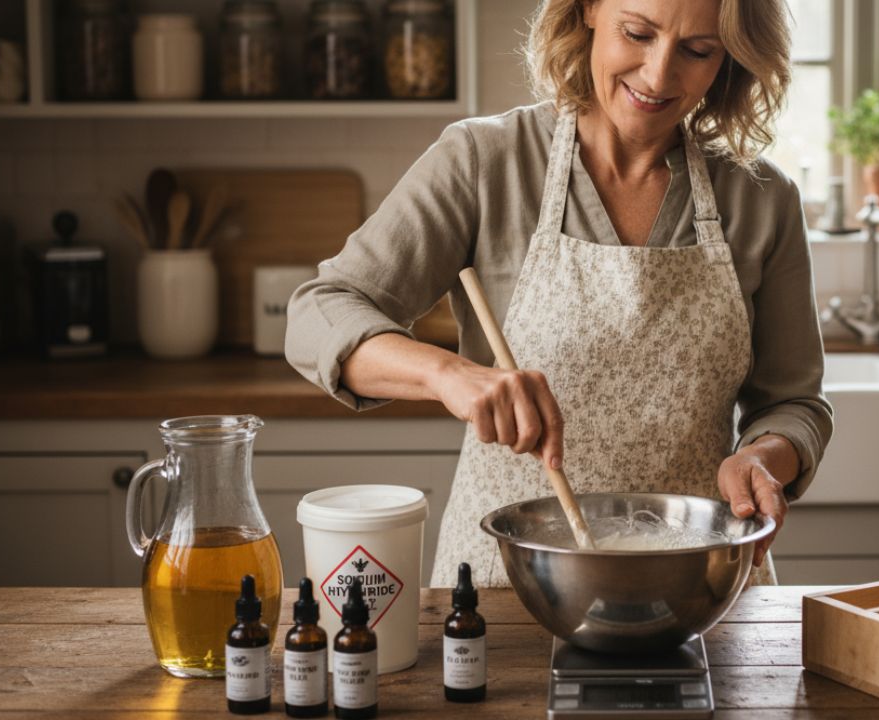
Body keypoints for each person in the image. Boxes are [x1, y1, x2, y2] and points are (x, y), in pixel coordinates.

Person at [286, 0, 832, 588]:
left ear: (731, 58)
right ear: (591, 9)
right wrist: (451, 377)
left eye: (698, 51)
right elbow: (319, 314)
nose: (658, 74)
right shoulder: (486, 161)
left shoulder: (762, 198)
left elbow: (794, 403)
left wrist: (763, 457)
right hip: (504, 591)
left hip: (699, 592)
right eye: (638, 33)